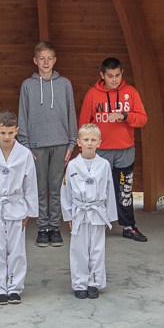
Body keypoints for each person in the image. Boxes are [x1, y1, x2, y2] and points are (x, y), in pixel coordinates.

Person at [78, 57, 148, 242]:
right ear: (102, 75)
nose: (114, 79)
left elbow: (142, 119)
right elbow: (84, 124)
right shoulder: (92, 94)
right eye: (110, 76)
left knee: (124, 191)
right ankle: (95, 225)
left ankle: (128, 226)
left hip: (125, 151)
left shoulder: (130, 92)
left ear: (122, 73)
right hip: (100, 153)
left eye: (117, 75)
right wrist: (85, 151)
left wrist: (125, 115)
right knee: (96, 190)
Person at [17, 41, 77, 248]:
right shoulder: (28, 85)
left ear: (55, 60)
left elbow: (71, 113)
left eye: (49, 58)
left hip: (60, 144)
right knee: (40, 189)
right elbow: (22, 115)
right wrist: (25, 145)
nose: (45, 62)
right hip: (36, 145)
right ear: (35, 60)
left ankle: (55, 228)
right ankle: (42, 228)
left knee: (56, 188)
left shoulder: (64, 84)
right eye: (41, 58)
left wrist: (71, 144)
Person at [0, 110, 38, 305]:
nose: (7, 137)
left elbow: (30, 184)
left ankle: (14, 286)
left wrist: (29, 210)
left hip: (17, 205)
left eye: (11, 133)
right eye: (3, 133)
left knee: (17, 249)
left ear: (17, 131)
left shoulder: (24, 154)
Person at [61, 123, 117, 300]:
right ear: (79, 142)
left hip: (98, 210)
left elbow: (109, 190)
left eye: (93, 140)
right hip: (79, 211)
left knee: (97, 249)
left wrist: (110, 215)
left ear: (100, 142)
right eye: (86, 140)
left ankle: (94, 282)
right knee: (79, 249)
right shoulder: (72, 165)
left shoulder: (104, 165)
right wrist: (68, 214)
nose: (89, 143)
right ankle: (79, 283)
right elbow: (66, 191)